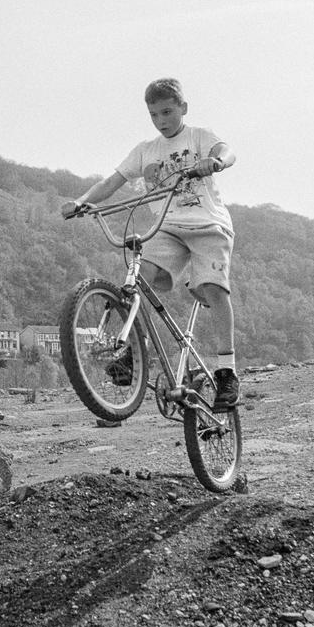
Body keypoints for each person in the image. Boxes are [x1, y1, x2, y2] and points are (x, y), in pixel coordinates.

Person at [60, 77, 240, 411]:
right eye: (154, 115)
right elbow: (112, 181)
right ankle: (131, 352)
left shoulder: (199, 136)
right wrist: (82, 201)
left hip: (208, 225)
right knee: (137, 279)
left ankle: (227, 370)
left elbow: (226, 152)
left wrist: (215, 163)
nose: (162, 120)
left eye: (168, 112)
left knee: (213, 287)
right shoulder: (146, 151)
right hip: (167, 228)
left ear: (183, 108)